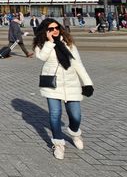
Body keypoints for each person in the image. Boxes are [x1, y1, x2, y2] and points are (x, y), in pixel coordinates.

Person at [33, 18, 94, 160]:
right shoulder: (41, 45)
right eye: (50, 29)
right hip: (52, 85)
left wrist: (87, 83)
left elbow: (78, 64)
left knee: (76, 115)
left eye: (56, 28)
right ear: (45, 31)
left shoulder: (69, 43)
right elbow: (42, 57)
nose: (55, 31)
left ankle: (74, 132)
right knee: (55, 114)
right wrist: (50, 42)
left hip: (71, 83)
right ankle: (58, 144)